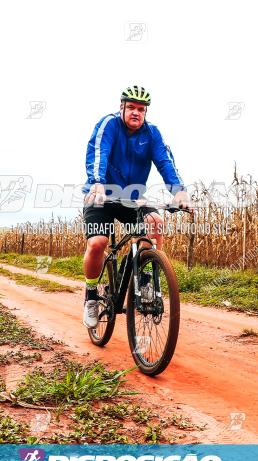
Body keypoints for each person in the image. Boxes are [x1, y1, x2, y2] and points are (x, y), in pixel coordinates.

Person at [81, 85, 191, 328]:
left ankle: (146, 278)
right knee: (98, 242)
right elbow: (98, 152)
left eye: (141, 109)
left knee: (156, 223)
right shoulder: (109, 125)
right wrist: (97, 183)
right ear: (121, 107)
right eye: (131, 107)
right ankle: (90, 295)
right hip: (102, 196)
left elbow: (164, 161)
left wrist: (179, 191)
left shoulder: (152, 134)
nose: (136, 113)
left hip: (132, 197)